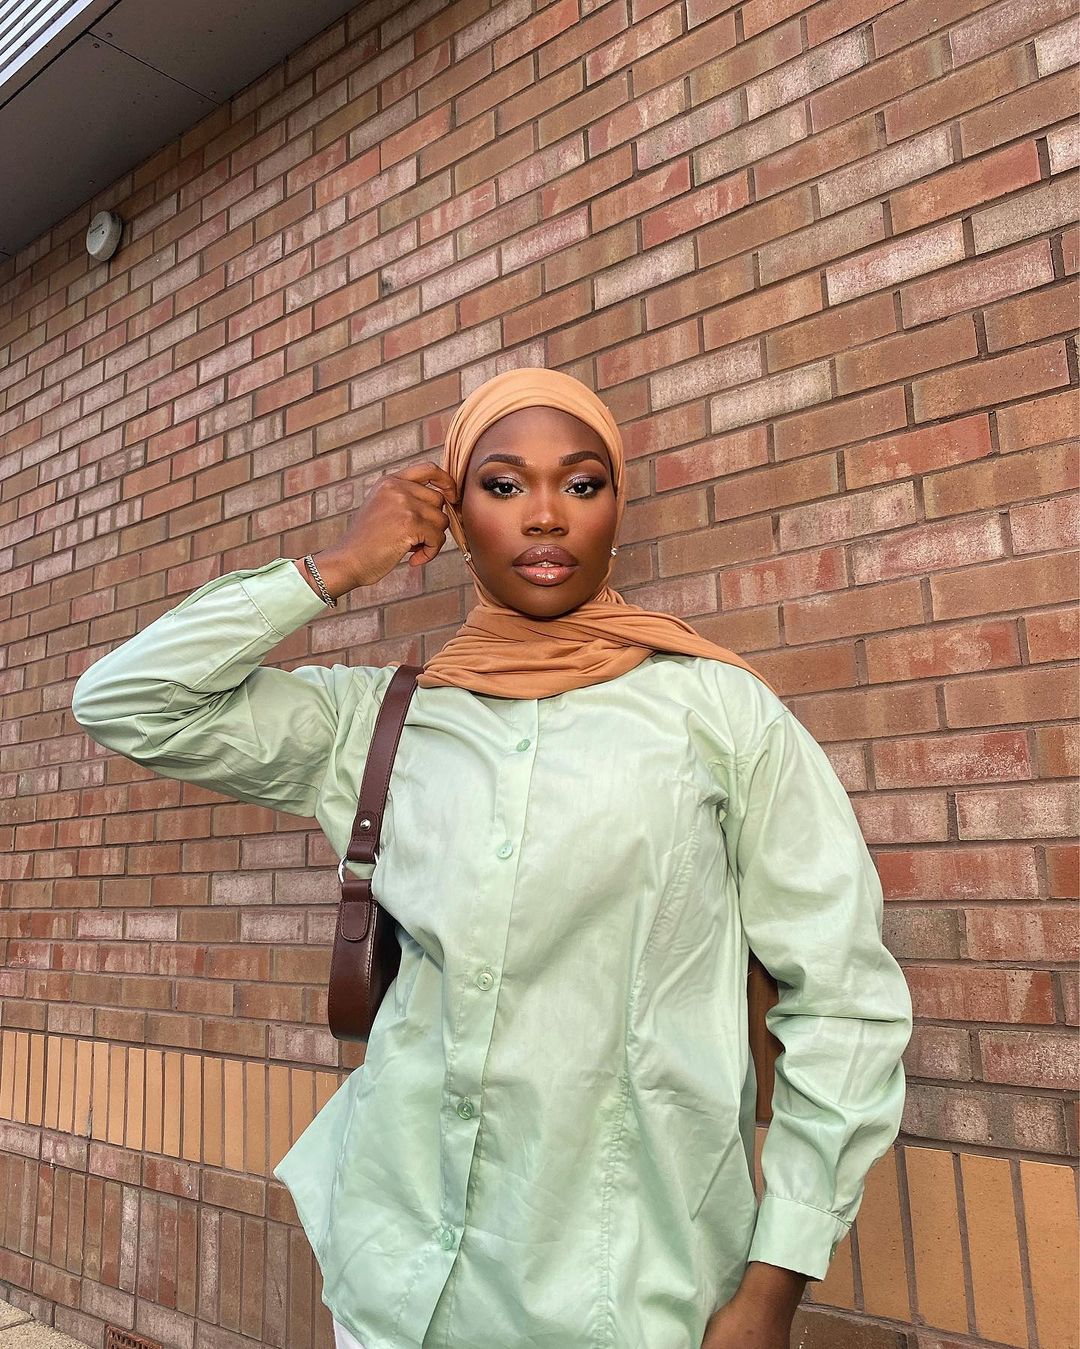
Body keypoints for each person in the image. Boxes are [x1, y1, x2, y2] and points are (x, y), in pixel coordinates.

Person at [71, 367, 912, 1349]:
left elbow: (844, 997)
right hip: (395, 1282)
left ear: (616, 508)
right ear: (457, 518)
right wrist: (335, 567)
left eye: (582, 483)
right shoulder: (378, 722)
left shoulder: (719, 713)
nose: (545, 513)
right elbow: (126, 700)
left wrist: (776, 1282)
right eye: (504, 485)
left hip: (629, 1294)